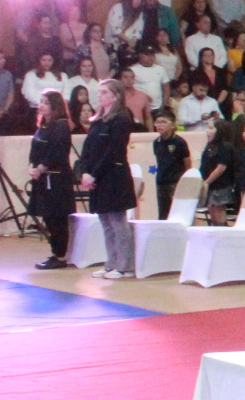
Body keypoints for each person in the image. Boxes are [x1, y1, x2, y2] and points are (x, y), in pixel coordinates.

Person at [77, 80, 138, 280]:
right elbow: (87, 150)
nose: (99, 95)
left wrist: (94, 174)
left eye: (104, 92)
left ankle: (124, 266)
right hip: (97, 178)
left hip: (114, 176)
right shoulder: (97, 121)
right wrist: (84, 173)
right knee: (105, 222)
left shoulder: (121, 119)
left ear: (116, 95)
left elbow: (114, 151)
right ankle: (110, 262)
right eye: (99, 92)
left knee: (118, 222)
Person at [27, 89, 74, 269]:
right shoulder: (44, 125)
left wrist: (41, 167)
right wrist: (32, 166)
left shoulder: (61, 126)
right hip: (42, 178)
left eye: (46, 102)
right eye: (41, 101)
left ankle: (60, 255)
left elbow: (57, 152)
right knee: (48, 217)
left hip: (56, 179)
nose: (41, 105)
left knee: (56, 217)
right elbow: (35, 149)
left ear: (55, 106)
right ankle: (55, 252)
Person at [152, 110, 191, 219]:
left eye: (163, 122)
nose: (159, 125)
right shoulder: (156, 142)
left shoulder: (179, 142)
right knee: (163, 212)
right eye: (157, 122)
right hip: (161, 181)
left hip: (175, 181)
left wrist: (185, 180)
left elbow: (187, 162)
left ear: (172, 125)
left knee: (176, 211)